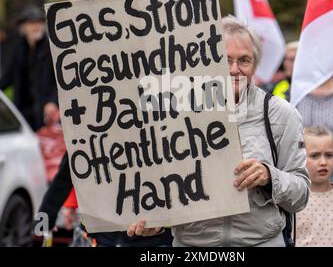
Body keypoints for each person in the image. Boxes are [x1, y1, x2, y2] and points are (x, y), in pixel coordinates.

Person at [127, 15, 310, 247]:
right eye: (225, 60)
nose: (234, 70)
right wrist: (155, 219)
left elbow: (301, 194)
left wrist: (269, 176)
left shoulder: (281, 114)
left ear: (255, 65)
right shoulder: (174, 114)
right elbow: (158, 185)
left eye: (244, 60)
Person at [36, 152, 174, 247]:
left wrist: (163, 223)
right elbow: (64, 177)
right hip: (96, 238)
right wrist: (42, 225)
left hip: (152, 239)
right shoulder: (85, 131)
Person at [0, 6, 58, 131]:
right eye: (31, 23)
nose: (36, 26)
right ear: (23, 28)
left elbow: (62, 81)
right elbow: (6, 79)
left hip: (46, 113)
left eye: (39, 22)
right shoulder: (18, 51)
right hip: (23, 114)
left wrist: (53, 102)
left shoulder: (51, 49)